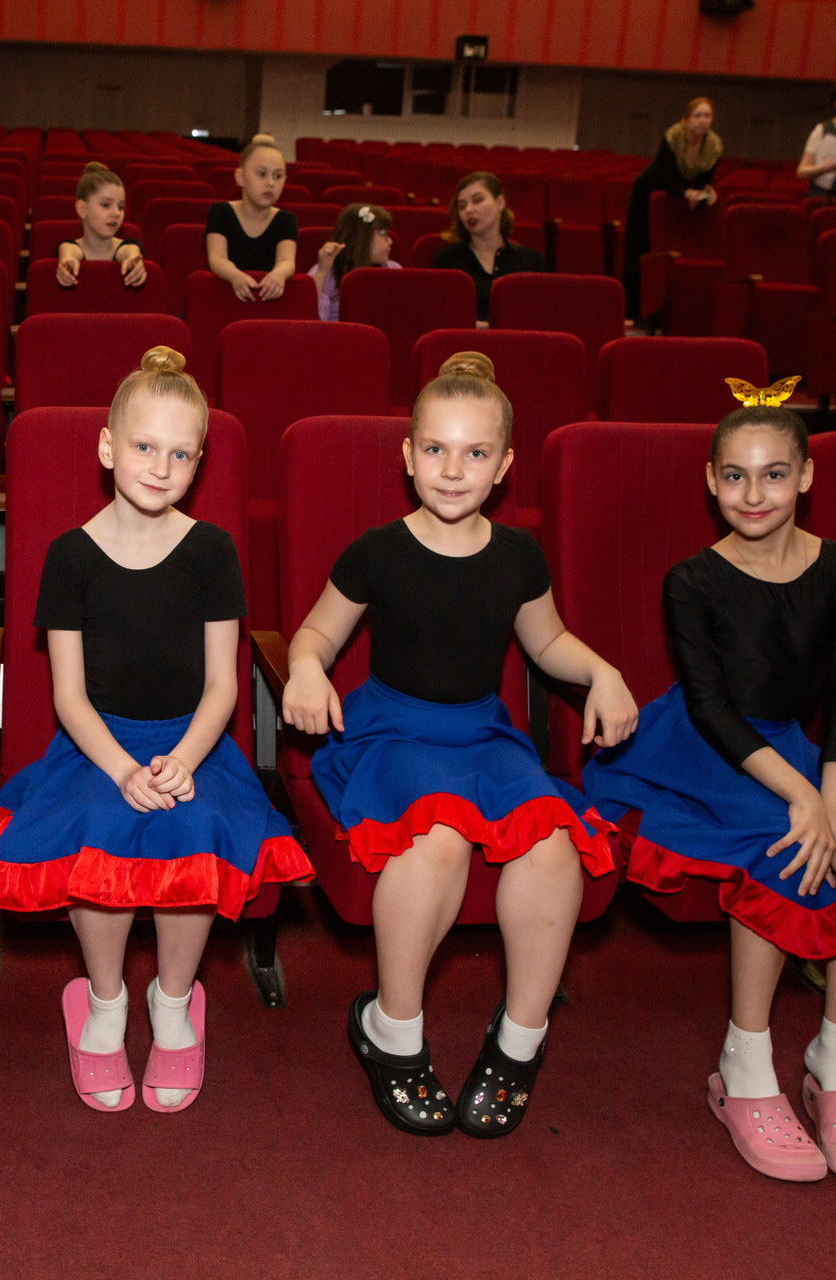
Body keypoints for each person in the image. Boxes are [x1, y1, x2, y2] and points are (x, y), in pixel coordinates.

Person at [583, 394, 836, 1183]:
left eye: (774, 474)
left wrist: (834, 806)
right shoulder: (692, 580)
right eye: (736, 476)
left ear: (806, 476)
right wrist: (804, 803)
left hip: (793, 750)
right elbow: (711, 708)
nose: (754, 493)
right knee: (780, 847)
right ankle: (743, 1065)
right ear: (711, 481)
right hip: (699, 746)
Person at [281, 353, 636, 1139]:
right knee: (437, 835)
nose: (452, 469)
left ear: (504, 466)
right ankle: (392, 1030)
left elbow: (549, 644)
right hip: (392, 733)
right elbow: (316, 635)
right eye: (436, 450)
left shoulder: (517, 557)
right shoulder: (377, 550)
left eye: (475, 453)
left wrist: (602, 672)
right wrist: (305, 668)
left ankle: (520, 1041)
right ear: (407, 457)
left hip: (483, 734)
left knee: (553, 843)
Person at [0, 347, 312, 1114]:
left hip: (194, 742)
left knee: (192, 827)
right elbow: (68, 696)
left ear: (199, 463)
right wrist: (124, 769)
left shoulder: (212, 552)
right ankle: (103, 1001)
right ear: (107, 448)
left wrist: (185, 759)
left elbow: (224, 684)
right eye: (143, 446)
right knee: (101, 828)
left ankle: (173, 999)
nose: (160, 468)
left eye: (180, 454)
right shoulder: (70, 556)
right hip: (97, 746)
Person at [623, 97, 722, 318]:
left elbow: (705, 179)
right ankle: (635, 310)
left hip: (679, 198)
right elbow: (663, 174)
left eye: (707, 116)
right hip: (651, 191)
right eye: (697, 116)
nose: (702, 120)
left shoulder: (714, 145)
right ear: (686, 120)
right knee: (642, 248)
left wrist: (707, 192)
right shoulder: (673, 136)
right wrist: (685, 193)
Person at [433, 173, 546, 322]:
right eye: (462, 206)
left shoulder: (531, 260)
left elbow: (543, 315)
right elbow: (439, 316)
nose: (468, 210)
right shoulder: (447, 261)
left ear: (500, 202)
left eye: (477, 200)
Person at [205, 134, 298, 301]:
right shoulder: (220, 211)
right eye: (261, 174)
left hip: (268, 301)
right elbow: (217, 258)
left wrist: (279, 273)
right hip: (225, 298)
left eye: (277, 176)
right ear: (240, 177)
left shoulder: (286, 219)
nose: (270, 183)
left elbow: (286, 261)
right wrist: (235, 276)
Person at [55, 162, 148, 289]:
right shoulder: (69, 246)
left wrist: (132, 259)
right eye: (105, 205)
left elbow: (129, 250)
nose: (116, 213)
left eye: (120, 207)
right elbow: (69, 252)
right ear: (82, 209)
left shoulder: (128, 246)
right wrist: (67, 261)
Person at [308, 202, 399, 321]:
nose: (390, 241)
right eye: (383, 234)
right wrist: (322, 271)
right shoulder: (325, 271)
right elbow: (310, 318)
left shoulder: (393, 269)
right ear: (362, 237)